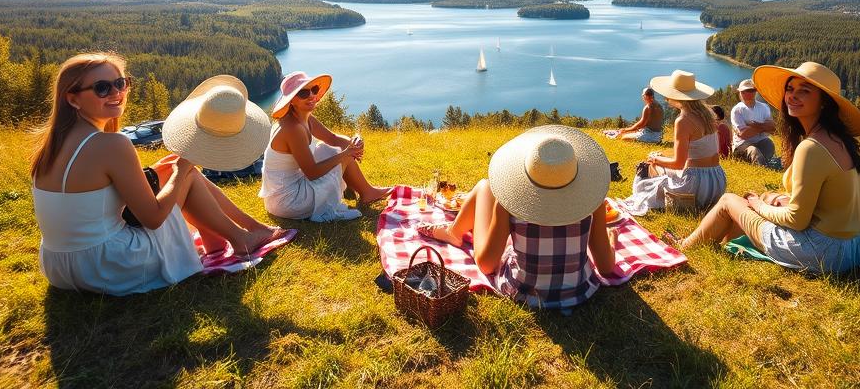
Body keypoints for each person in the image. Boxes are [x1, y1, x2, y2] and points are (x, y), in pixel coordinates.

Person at [30, 53, 291, 296]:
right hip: (107, 265)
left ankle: (246, 233)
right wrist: (180, 172)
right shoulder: (112, 144)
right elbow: (152, 219)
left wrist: (163, 172)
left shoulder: (52, 144)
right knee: (185, 173)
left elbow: (92, 197)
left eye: (121, 83)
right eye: (102, 88)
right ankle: (242, 237)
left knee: (177, 169)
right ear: (73, 98)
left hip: (59, 266)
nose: (117, 93)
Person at [670, 62, 860, 275]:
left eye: (804, 91)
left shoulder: (812, 147)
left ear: (824, 102)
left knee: (729, 200)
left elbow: (796, 220)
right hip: (854, 245)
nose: (792, 96)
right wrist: (769, 201)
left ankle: (685, 246)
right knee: (769, 196)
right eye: (790, 89)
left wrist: (757, 205)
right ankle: (718, 239)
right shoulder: (839, 139)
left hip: (824, 253)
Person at [416, 124, 617, 310]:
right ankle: (454, 231)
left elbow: (487, 265)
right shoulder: (592, 202)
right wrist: (611, 241)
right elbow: (606, 268)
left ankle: (454, 232)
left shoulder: (511, 202)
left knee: (484, 186)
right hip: (578, 292)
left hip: (523, 292)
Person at [259, 71, 392, 221]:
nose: (311, 96)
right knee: (339, 154)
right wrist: (346, 154)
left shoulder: (304, 118)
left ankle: (367, 192)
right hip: (288, 201)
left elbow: (332, 138)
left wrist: (354, 143)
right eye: (303, 93)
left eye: (314, 90)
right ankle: (364, 192)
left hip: (290, 188)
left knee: (327, 148)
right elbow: (312, 172)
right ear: (292, 101)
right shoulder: (293, 128)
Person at [623, 70, 726, 215]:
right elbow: (696, 154)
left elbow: (678, 163)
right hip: (717, 182)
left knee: (651, 166)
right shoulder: (708, 114)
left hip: (697, 186)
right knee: (660, 161)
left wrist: (656, 158)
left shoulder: (683, 120)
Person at [730, 78, 776, 166]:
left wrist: (754, 125)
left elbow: (773, 128)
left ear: (755, 91)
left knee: (769, 144)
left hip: (761, 141)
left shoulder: (764, 107)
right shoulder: (737, 110)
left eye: (750, 90)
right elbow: (744, 134)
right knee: (754, 151)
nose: (744, 93)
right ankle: (763, 170)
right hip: (742, 144)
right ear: (739, 92)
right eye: (742, 91)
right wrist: (764, 127)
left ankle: (766, 166)